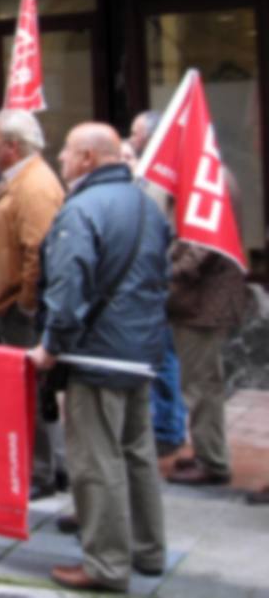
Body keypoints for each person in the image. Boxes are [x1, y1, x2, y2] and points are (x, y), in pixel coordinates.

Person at [29, 123, 171, 594]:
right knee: (138, 454)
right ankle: (149, 552)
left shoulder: (82, 209)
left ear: (88, 157)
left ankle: (106, 565)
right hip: (139, 350)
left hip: (98, 354)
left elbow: (68, 288)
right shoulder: (146, 204)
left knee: (97, 461)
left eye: (67, 153)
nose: (62, 161)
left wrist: (52, 345)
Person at [0, 108, 65, 499]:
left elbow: (38, 253)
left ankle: (41, 473)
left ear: (11, 147)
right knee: (30, 391)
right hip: (8, 303)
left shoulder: (34, 185)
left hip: (18, 310)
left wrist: (26, 304)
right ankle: (47, 467)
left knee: (32, 392)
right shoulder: (21, 179)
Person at [165, 169, 250, 486]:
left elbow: (205, 246)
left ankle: (212, 460)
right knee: (199, 383)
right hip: (198, 302)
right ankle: (207, 451)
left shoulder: (211, 180)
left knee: (202, 384)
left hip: (204, 304)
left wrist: (168, 273)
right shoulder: (208, 176)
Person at [130, 109, 187, 458]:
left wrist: (163, 273)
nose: (134, 140)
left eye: (137, 134)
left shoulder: (168, 179)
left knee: (165, 361)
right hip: (152, 284)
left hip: (162, 286)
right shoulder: (143, 178)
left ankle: (169, 428)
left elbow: (177, 237)